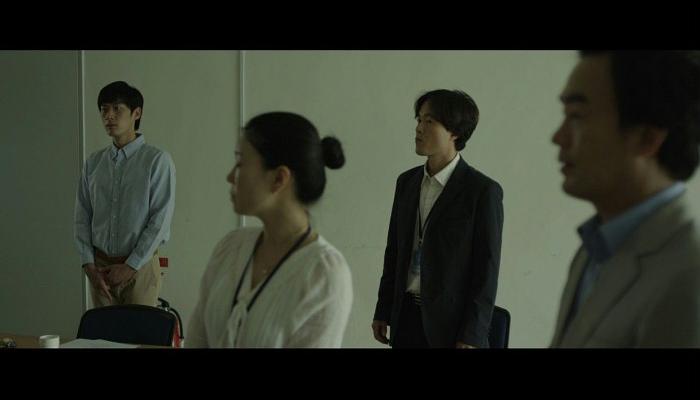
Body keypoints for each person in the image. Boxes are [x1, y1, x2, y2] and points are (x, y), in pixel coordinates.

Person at [550, 51, 700, 347]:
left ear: (647, 138)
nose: (558, 137)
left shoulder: (689, 277)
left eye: (577, 116)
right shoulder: (594, 246)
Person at [187, 111, 353, 348]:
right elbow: (197, 340)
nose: (230, 176)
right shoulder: (231, 248)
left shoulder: (324, 275)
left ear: (278, 179)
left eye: (241, 163)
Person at [372, 89, 504, 348]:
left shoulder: (481, 191)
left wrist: (472, 334)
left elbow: (486, 271)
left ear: (455, 132)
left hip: (452, 327)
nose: (419, 128)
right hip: (405, 317)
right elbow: (394, 251)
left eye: (429, 121)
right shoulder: (407, 182)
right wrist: (383, 309)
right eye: (418, 120)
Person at [74, 81, 176, 307]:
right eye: (104, 109)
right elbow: (82, 216)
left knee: (139, 329)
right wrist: (88, 265)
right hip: (100, 271)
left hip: (140, 268)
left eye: (117, 109)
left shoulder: (157, 161)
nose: (108, 116)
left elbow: (160, 221)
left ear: (136, 113)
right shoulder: (93, 163)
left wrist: (131, 266)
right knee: (102, 331)